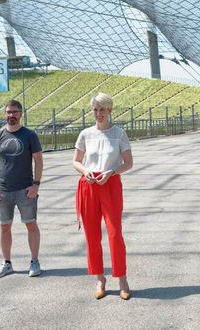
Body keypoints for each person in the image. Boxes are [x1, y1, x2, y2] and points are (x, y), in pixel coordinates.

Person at [73, 93, 133, 300]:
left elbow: (128, 163)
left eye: (102, 109)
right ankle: (100, 278)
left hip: (110, 184)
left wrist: (112, 172)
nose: (98, 113)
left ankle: (122, 278)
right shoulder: (85, 134)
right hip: (88, 185)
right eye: (95, 109)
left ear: (110, 110)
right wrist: (84, 171)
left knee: (115, 233)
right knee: (92, 236)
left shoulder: (119, 134)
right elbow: (76, 161)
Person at [0, 100, 43, 278]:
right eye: (8, 112)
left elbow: (38, 160)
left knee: (31, 224)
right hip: (3, 190)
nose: (11, 115)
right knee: (4, 227)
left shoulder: (29, 135)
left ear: (21, 113)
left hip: (25, 190)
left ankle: (34, 261)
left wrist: (36, 184)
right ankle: (7, 263)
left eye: (15, 112)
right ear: (5, 114)